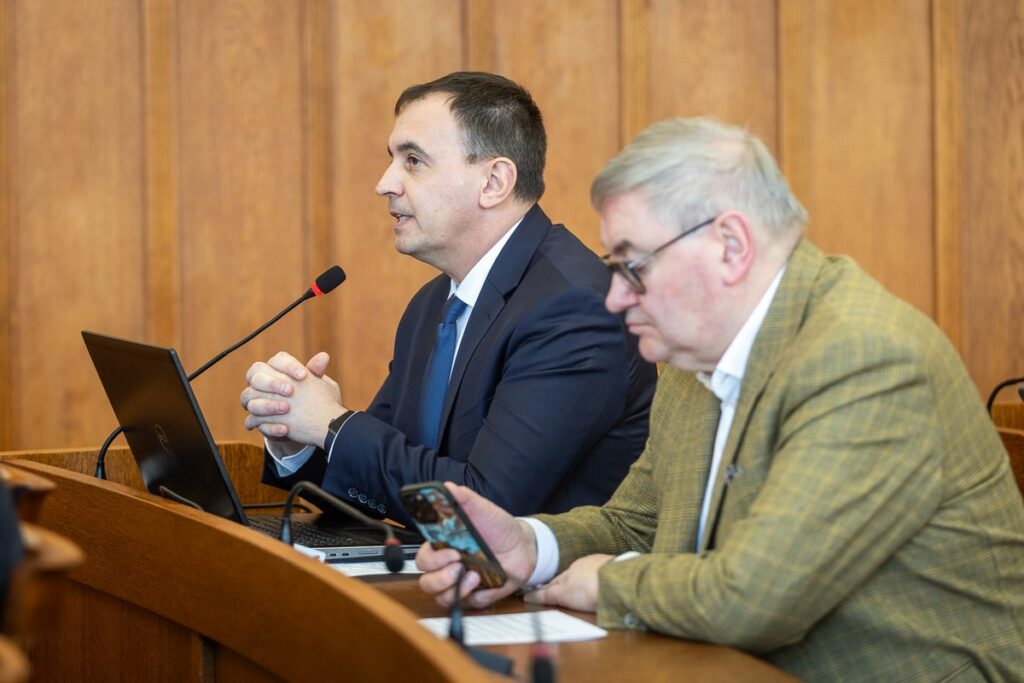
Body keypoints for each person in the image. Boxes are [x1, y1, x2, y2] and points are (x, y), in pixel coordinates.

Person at [416, 117, 1024, 681]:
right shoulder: (692, 354)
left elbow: (755, 600)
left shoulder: (864, 355)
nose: (615, 300)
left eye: (632, 266)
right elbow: (638, 522)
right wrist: (531, 547)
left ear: (731, 246)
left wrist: (611, 584)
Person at [240, 72, 656, 525]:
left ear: (494, 181)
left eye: (414, 160)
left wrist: (332, 424)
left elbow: (486, 508)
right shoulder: (432, 305)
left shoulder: (574, 308)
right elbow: (392, 485)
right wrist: (297, 438)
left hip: (554, 591)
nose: (385, 183)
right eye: (392, 160)